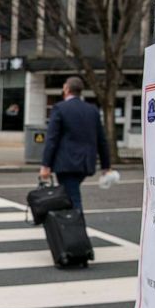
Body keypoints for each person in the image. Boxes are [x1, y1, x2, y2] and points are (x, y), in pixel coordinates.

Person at [39, 76, 111, 212]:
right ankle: (68, 226)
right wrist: (105, 166)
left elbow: (52, 138)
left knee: (72, 198)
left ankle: (76, 227)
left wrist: (45, 165)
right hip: (85, 163)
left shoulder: (60, 108)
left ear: (66, 89)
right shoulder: (92, 110)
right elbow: (102, 139)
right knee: (70, 194)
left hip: (66, 163)